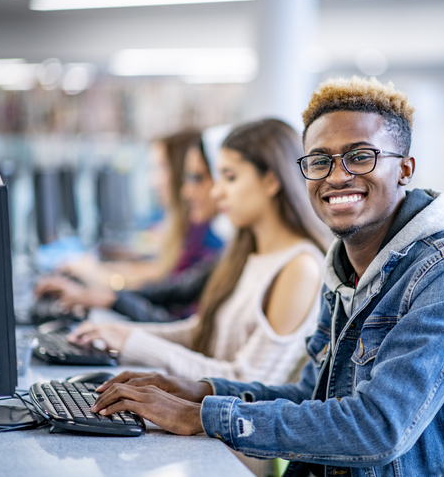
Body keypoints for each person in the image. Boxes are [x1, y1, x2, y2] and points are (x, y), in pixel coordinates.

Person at [89, 77, 444, 477]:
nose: (336, 175)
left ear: (405, 169)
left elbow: (378, 428)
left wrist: (201, 416)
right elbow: (315, 398)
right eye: (319, 160)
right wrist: (195, 391)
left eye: (360, 156)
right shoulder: (346, 269)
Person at [63, 118, 330, 388]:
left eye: (230, 177)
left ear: (272, 180)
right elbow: (201, 332)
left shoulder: (300, 266)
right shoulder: (250, 254)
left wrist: (131, 342)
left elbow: (248, 382)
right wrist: (122, 334)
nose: (217, 191)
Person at [36, 129, 225, 322]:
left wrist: (103, 283)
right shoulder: (198, 235)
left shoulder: (207, 241)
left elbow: (167, 297)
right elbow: (164, 287)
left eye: (160, 168)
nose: (153, 180)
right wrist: (102, 289)